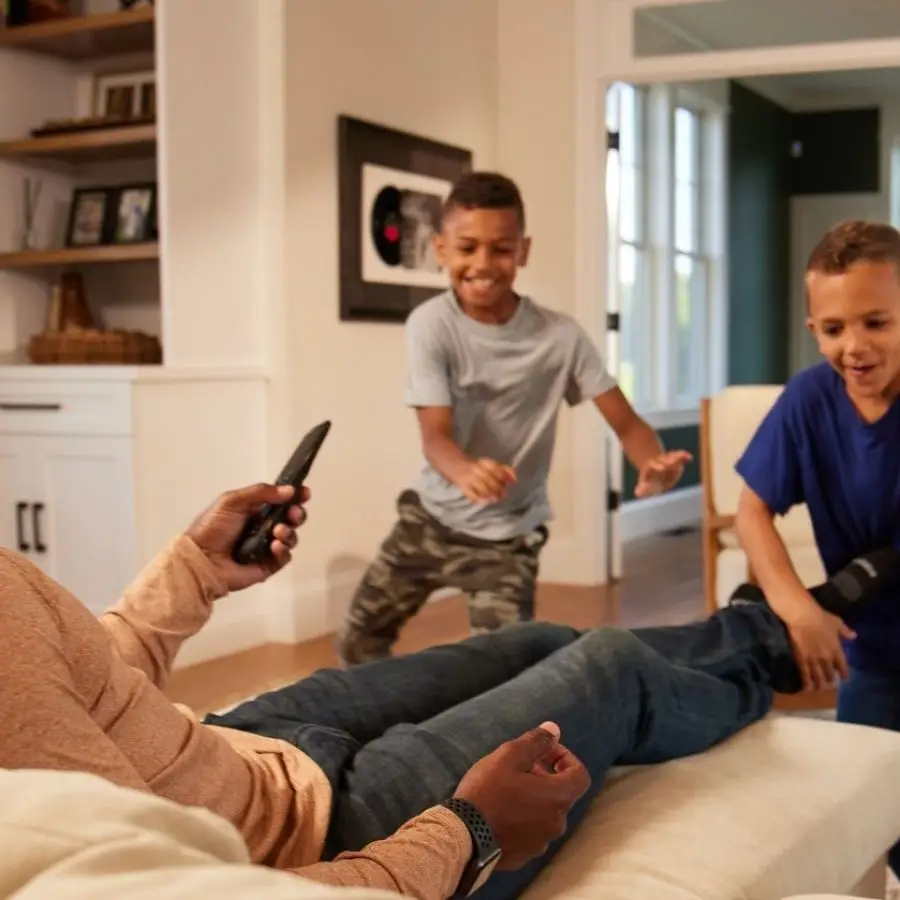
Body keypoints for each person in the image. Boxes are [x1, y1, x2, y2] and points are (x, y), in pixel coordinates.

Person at [1, 479, 895, 900]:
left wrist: (194, 570)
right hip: (315, 842)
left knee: (535, 637)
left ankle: (761, 627)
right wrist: (467, 832)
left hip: (245, 742)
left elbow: (79, 687)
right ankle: (777, 645)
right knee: (608, 665)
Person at [338, 171, 691, 666]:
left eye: (501, 249)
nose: (483, 264)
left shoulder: (561, 337)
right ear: (441, 249)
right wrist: (465, 471)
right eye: (467, 247)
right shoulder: (431, 326)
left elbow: (627, 423)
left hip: (508, 537)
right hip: (430, 522)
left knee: (504, 667)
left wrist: (653, 463)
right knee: (357, 640)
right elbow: (434, 437)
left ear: (522, 252)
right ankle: (380, 720)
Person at [733, 219, 900, 874]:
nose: (853, 346)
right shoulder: (809, 400)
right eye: (834, 329)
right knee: (860, 804)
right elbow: (751, 512)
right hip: (872, 648)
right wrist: (796, 605)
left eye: (877, 323)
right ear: (814, 331)